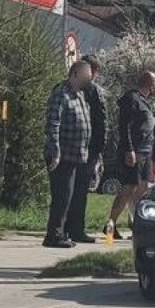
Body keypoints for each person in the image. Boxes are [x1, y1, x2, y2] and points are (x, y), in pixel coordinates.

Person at [43, 60, 93, 248]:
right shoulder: (61, 94)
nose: (88, 79)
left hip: (77, 155)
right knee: (62, 196)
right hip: (62, 155)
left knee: (70, 196)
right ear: (74, 74)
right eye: (85, 75)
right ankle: (54, 235)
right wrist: (55, 151)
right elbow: (53, 123)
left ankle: (63, 232)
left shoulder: (80, 95)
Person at [104, 71, 155, 240]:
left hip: (146, 150)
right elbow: (124, 126)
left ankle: (140, 225)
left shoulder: (144, 101)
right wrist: (129, 149)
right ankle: (110, 224)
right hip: (134, 151)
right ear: (150, 83)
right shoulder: (131, 99)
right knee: (129, 187)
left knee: (144, 188)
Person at [63, 54, 107, 244]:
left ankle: (65, 227)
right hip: (89, 146)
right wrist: (100, 146)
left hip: (75, 145)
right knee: (80, 190)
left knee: (70, 189)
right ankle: (76, 230)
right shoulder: (93, 90)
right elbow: (101, 119)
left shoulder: (73, 89)